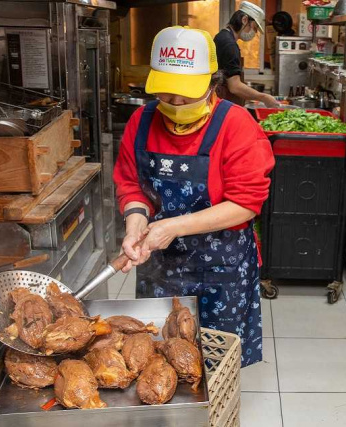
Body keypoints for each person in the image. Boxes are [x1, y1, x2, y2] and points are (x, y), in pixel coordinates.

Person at [113, 26, 275, 366]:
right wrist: (134, 227)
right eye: (166, 94)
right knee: (156, 357)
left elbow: (246, 203)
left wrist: (173, 226)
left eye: (185, 93)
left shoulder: (237, 125)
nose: (175, 103)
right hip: (160, 264)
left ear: (212, 82)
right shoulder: (141, 123)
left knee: (214, 365)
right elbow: (131, 186)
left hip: (222, 267)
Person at [213, 2, 280, 107]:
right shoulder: (229, 45)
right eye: (254, 27)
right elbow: (234, 86)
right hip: (223, 103)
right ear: (244, 20)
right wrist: (264, 97)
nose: (255, 32)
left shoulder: (222, 36)